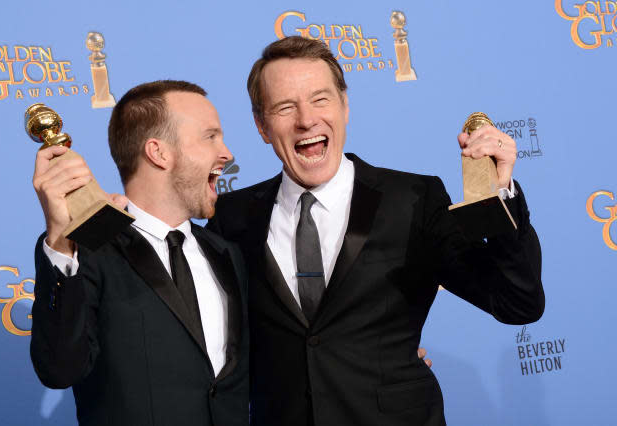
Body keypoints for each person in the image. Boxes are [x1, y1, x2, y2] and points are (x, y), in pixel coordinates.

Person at [207, 36, 544, 426]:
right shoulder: (231, 218)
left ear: (345, 106)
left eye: (321, 99)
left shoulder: (415, 200)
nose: (306, 119)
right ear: (262, 126)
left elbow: (517, 303)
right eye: (285, 107)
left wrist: (498, 194)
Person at [30, 80, 249, 426]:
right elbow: (59, 369)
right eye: (210, 137)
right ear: (158, 152)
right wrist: (60, 239)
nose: (227, 153)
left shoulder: (225, 253)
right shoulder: (89, 250)